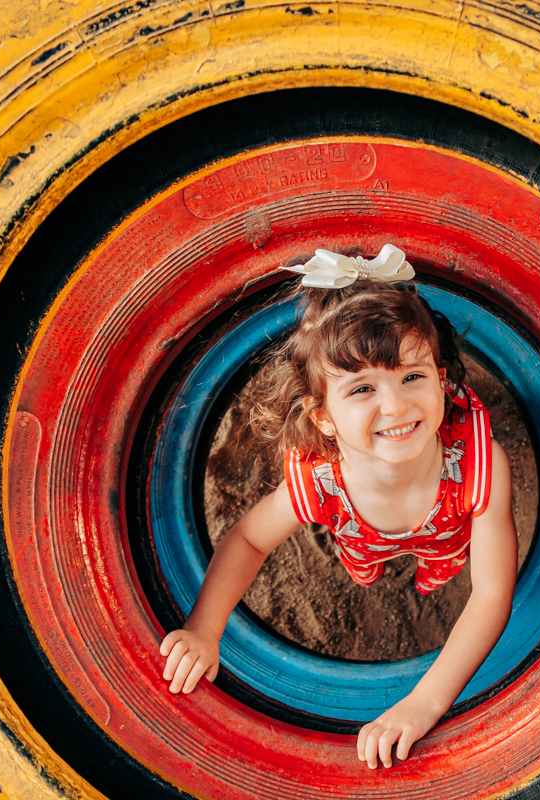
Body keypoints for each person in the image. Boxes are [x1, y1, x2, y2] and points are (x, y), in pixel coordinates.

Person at [158, 244, 517, 769]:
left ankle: (428, 576)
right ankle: (371, 568)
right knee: (363, 565)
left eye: (412, 377)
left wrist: (423, 703)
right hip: (359, 529)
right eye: (362, 389)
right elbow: (250, 538)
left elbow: (490, 593)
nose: (395, 405)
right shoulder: (318, 479)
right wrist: (204, 628)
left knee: (442, 568)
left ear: (441, 382)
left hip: (446, 526)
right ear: (322, 416)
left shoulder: (481, 464)